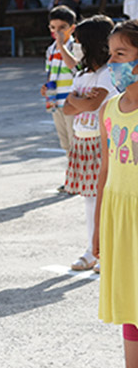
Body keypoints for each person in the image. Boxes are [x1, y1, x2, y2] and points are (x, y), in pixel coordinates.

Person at [92, 19, 138, 368]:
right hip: (118, 213)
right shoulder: (109, 109)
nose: (113, 64)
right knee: (129, 298)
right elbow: (105, 171)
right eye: (111, 55)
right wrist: (97, 228)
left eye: (121, 54)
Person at [60, 16, 117, 273]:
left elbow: (93, 105)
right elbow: (67, 108)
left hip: (100, 141)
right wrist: (77, 100)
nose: (75, 47)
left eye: (79, 42)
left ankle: (105, 250)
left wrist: (77, 99)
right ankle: (92, 250)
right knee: (90, 199)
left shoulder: (107, 75)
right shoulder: (83, 75)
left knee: (104, 198)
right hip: (82, 141)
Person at [42, 5, 82, 192]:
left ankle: (79, 179)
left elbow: (75, 67)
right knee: (65, 142)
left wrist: (61, 46)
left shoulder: (75, 46)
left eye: (62, 28)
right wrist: (46, 88)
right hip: (55, 101)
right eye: (53, 28)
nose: (56, 32)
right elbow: (50, 73)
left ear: (72, 28)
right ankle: (72, 178)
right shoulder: (50, 50)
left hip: (71, 102)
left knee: (75, 142)